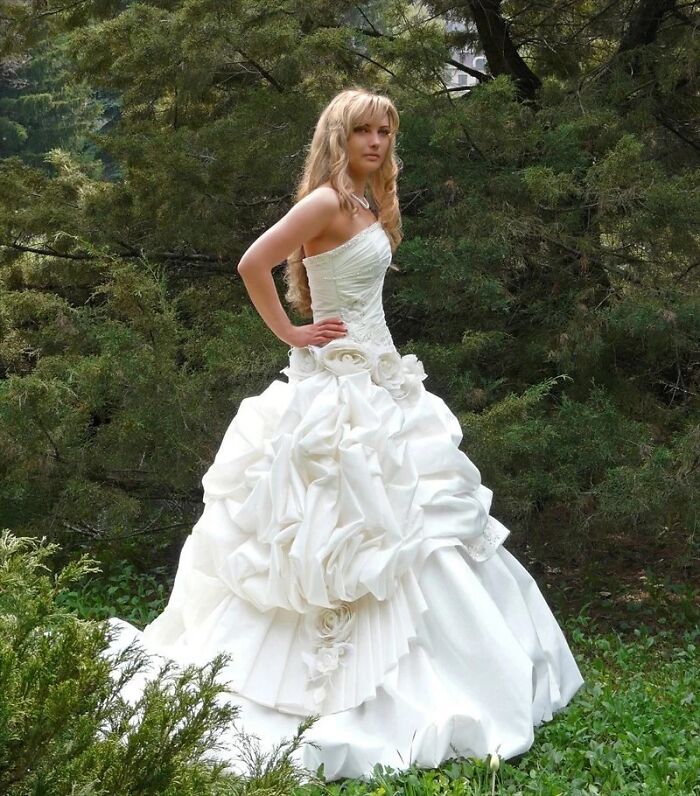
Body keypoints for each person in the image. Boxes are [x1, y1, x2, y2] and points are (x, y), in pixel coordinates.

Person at [107, 87, 584, 781]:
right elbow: (253, 263)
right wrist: (293, 332)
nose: (377, 141)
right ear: (339, 135)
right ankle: (321, 682)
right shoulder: (328, 202)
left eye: (386, 131)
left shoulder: (368, 205)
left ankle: (456, 671)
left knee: (420, 527)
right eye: (363, 129)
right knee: (334, 529)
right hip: (336, 388)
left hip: (386, 382)